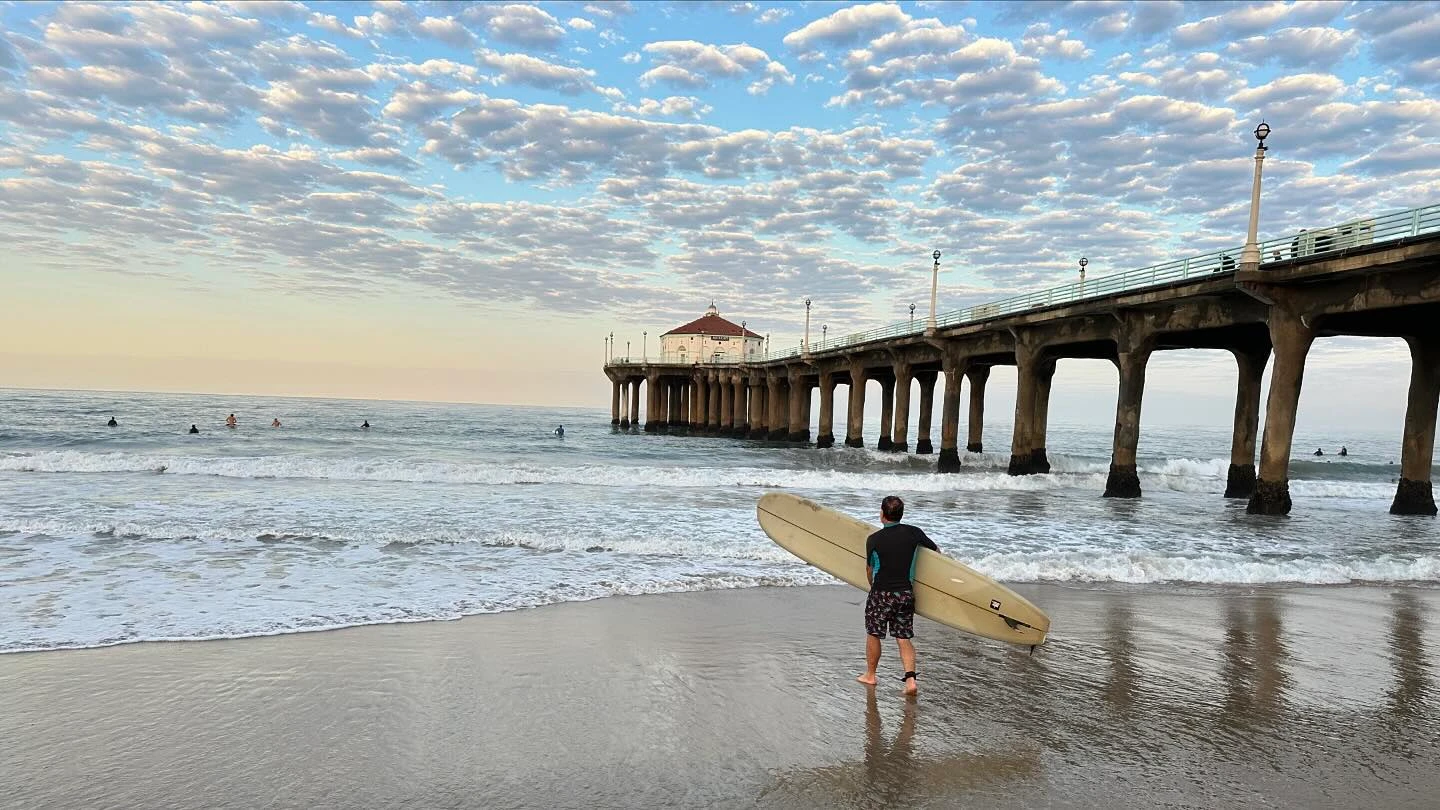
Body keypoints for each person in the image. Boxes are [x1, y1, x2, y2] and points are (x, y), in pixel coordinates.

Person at [858, 495, 937, 696]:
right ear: (901, 514)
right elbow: (936, 554)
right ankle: (910, 680)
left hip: (881, 593)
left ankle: (871, 675)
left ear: (882, 514)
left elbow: (869, 569)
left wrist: (872, 587)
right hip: (905, 594)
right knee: (903, 637)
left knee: (874, 633)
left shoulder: (874, 539)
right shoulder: (914, 533)